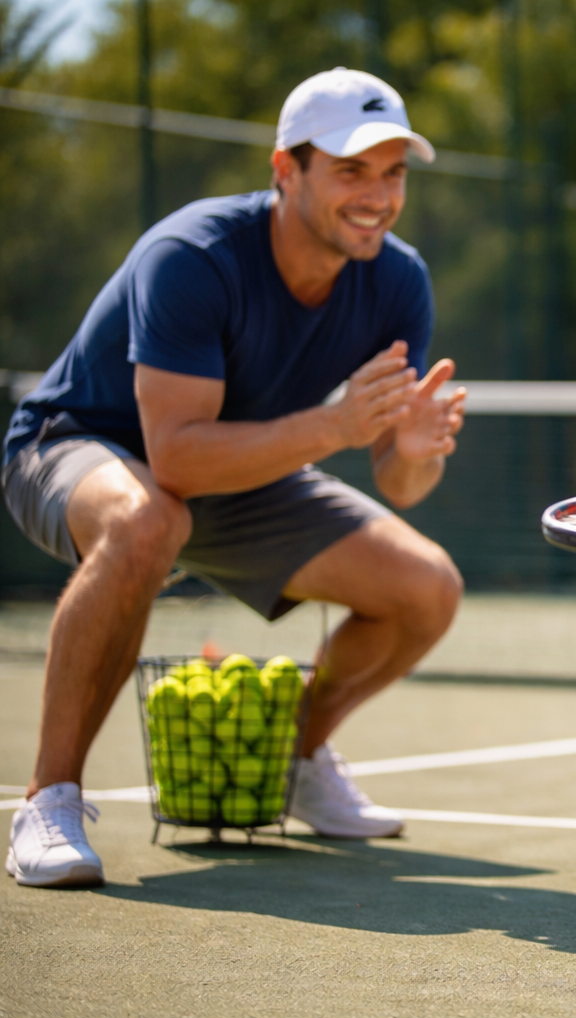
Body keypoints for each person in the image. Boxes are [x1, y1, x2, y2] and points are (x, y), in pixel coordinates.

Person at [3, 68, 467, 888]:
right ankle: (50, 798)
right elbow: (176, 458)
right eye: (351, 169)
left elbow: (399, 482)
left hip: (241, 472)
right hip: (75, 445)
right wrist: (332, 427)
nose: (379, 195)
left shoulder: (399, 279)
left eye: (393, 172)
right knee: (150, 522)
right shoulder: (194, 254)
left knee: (428, 587)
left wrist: (418, 448)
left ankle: (293, 759)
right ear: (285, 170)